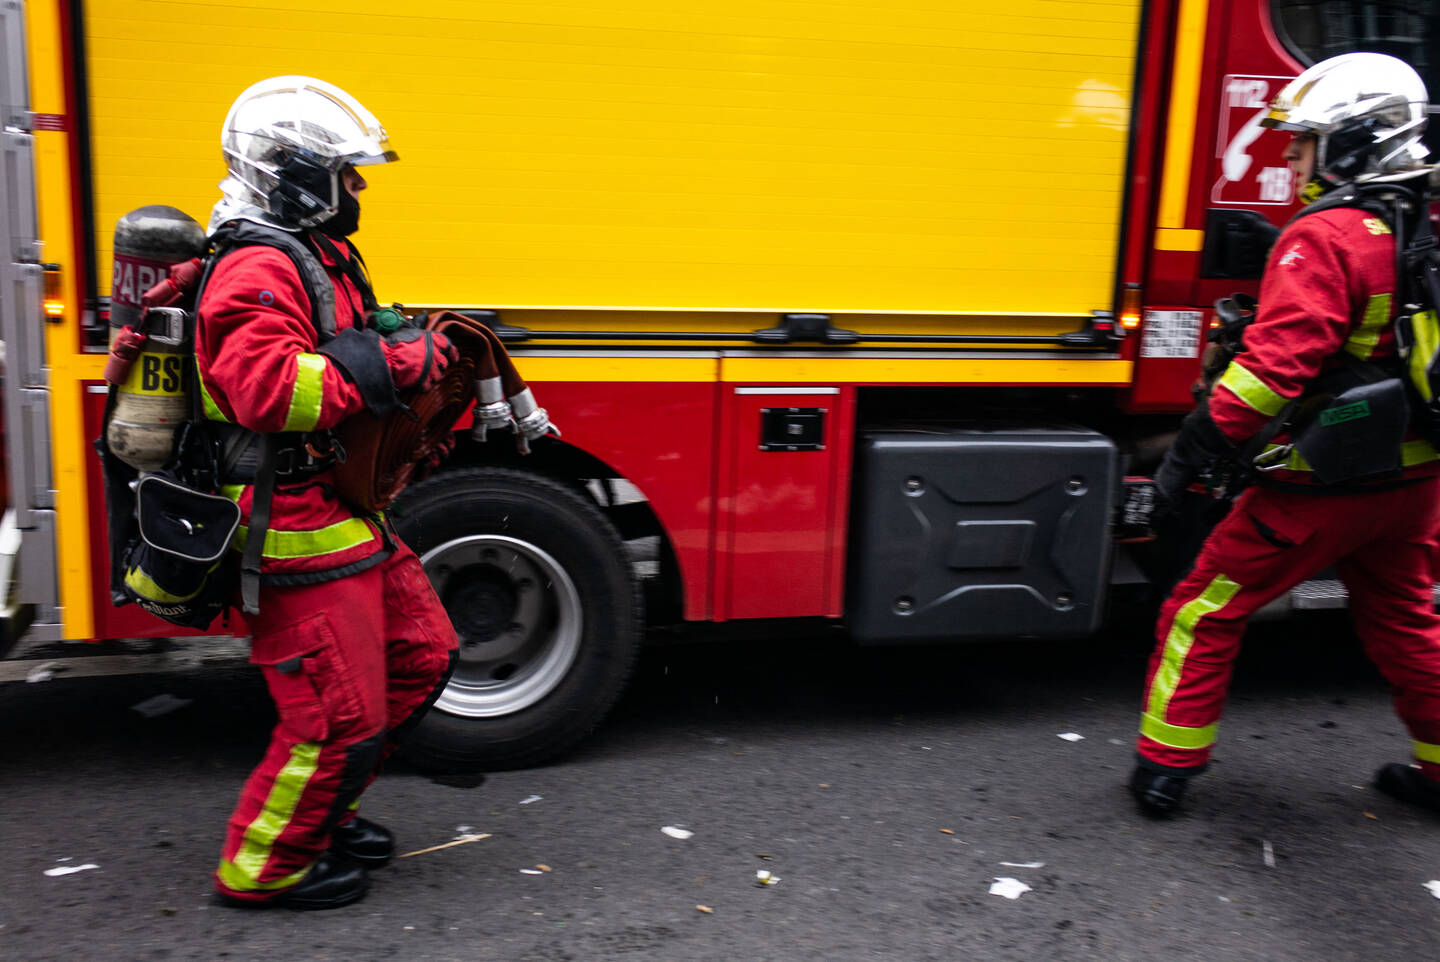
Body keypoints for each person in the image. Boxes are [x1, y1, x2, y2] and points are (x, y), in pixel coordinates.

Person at [1130, 53, 1440, 817]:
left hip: (1319, 487)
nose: (1291, 156)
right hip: (1413, 481)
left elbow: (1270, 374)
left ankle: (1166, 767)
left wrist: (1189, 459)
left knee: (1203, 610)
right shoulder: (1421, 223)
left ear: (1355, 142)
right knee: (1408, 625)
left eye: (1304, 141)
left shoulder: (1327, 236)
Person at [197, 76, 460, 908]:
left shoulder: (314, 255)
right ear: (297, 175)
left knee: (422, 658)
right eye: (348, 173)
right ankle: (266, 866)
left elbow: (341, 346)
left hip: (346, 514)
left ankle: (321, 817)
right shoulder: (256, 266)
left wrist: (402, 343)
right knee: (336, 717)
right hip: (292, 527)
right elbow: (269, 391)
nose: (359, 189)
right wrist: (395, 363)